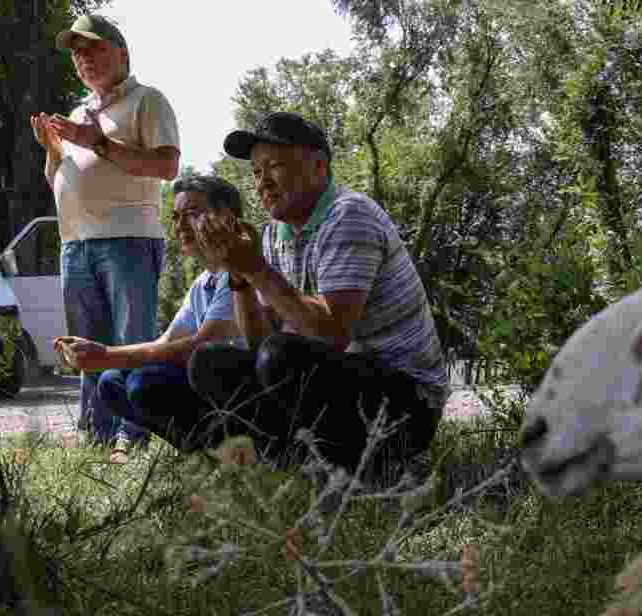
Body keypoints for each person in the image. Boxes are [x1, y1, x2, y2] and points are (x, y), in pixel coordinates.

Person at [188, 112, 449, 477]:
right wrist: (240, 274)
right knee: (210, 362)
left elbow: (333, 332)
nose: (263, 182)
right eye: (256, 173)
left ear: (318, 166)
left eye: (274, 166)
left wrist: (256, 269)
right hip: (345, 381)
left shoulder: (348, 215)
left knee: (282, 356)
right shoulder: (274, 233)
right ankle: (293, 463)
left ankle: (371, 464)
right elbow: (259, 340)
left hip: (406, 402)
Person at [29, 14, 180, 453]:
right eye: (78, 52)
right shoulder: (79, 113)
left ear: (122, 53)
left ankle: (131, 440)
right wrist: (55, 152)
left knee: (130, 343)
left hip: (128, 240)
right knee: (86, 348)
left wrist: (96, 143)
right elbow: (59, 182)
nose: (85, 59)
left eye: (94, 48)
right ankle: (95, 440)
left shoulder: (146, 100)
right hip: (76, 243)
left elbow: (166, 167)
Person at [54, 176, 247, 460]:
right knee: (112, 381)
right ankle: (202, 453)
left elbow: (198, 346)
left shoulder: (239, 273)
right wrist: (101, 356)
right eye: (176, 216)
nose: (181, 226)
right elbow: (166, 342)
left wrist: (106, 354)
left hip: (243, 390)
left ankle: (230, 449)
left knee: (145, 381)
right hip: (215, 389)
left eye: (192, 214)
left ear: (227, 219)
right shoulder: (202, 283)